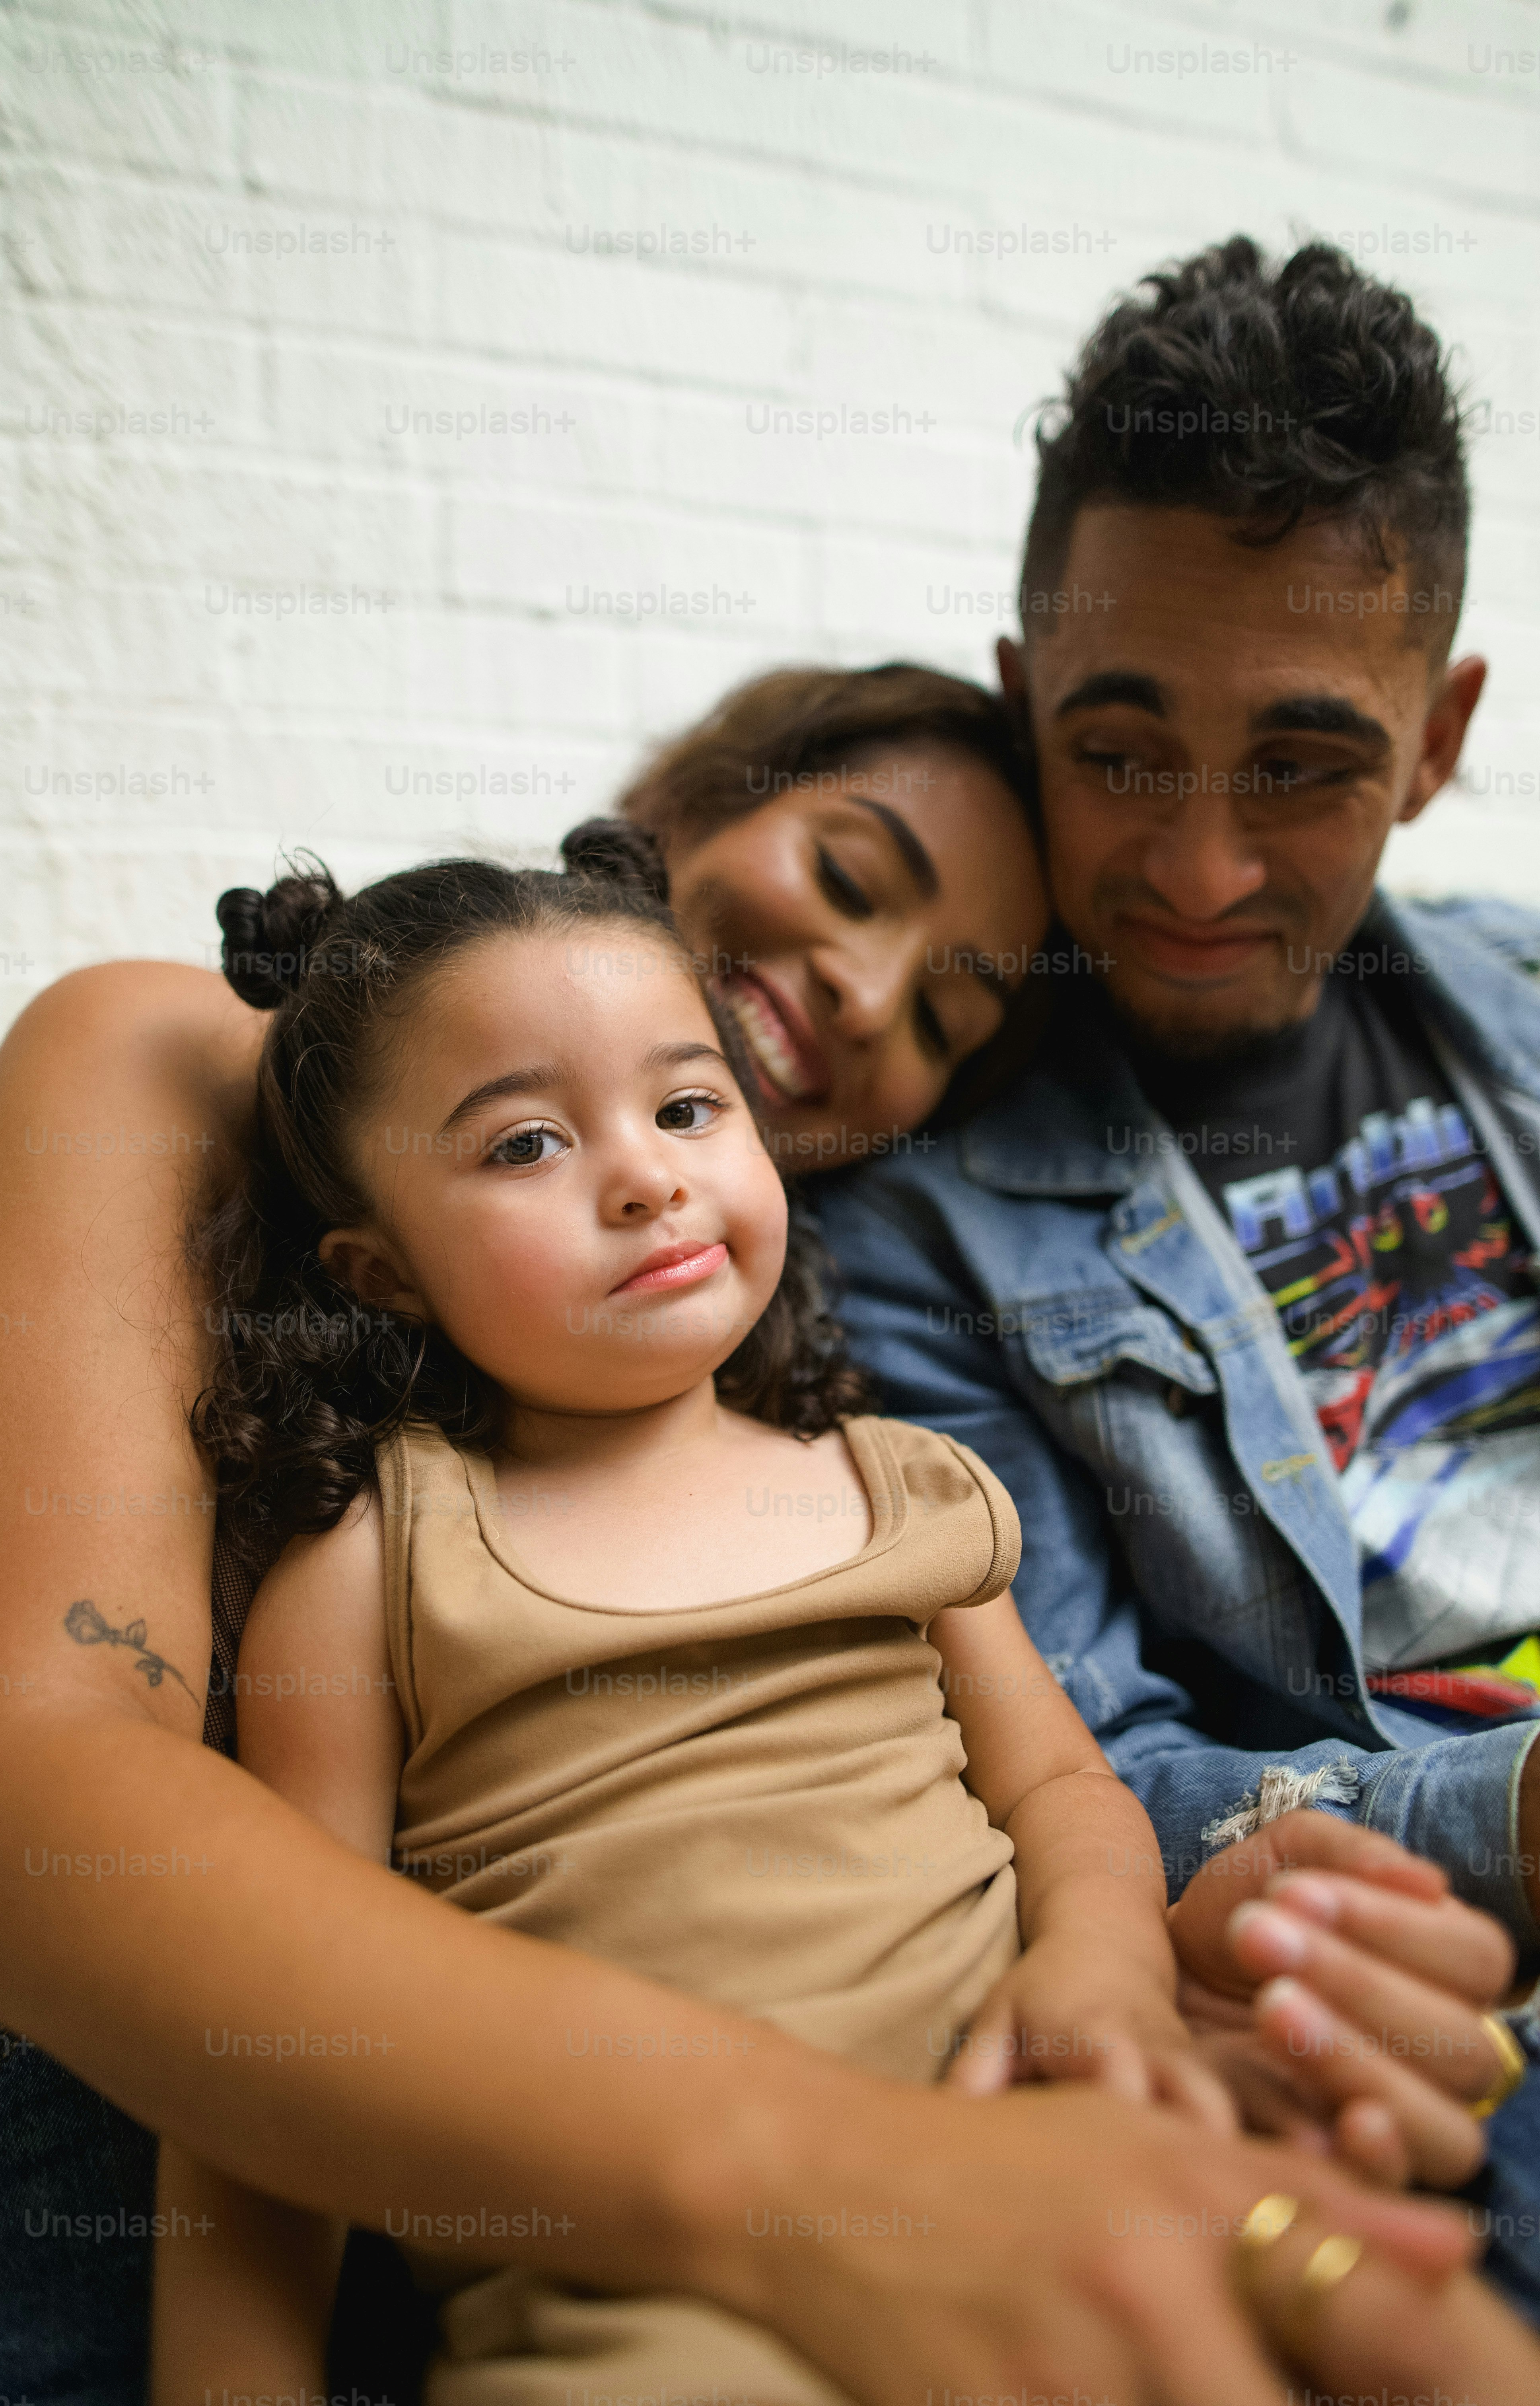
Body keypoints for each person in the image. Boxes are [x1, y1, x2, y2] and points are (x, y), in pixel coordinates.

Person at [0, 673, 1527, 2400]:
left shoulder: (869, 1437)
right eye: (849, 875)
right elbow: (17, 1787)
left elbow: (1051, 1774)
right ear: (686, 811)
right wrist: (846, 2174)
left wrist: (1148, 1952)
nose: (858, 995)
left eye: (947, 1021)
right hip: (187, 2103)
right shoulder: (195, 1082)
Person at [154, 845, 1247, 2392]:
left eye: (686, 1107)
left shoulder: (901, 1486)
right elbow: (272, 2010)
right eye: (527, 1143)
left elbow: (1063, 1784)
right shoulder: (376, 1564)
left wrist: (1104, 1967)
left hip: (1024, 2154)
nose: (646, 1176)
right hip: (646, 2288)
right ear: (380, 1271)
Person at [803, 239, 1540, 2312]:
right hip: (1416, 1923)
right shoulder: (914, 1209)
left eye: (1300, 768)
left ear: (1436, 734)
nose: (1201, 874)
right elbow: (1100, 1770)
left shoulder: (1516, 996)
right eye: (1120, 754)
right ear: (1028, 694)